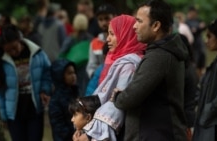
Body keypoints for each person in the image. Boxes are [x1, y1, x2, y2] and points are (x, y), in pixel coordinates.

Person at [111, 0, 188, 140]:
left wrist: (118, 96)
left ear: (156, 26)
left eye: (139, 21)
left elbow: (130, 98)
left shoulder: (159, 57)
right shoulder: (161, 52)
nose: (134, 26)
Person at [75, 14, 146, 141]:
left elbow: (117, 102)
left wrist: (91, 134)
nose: (108, 39)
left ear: (125, 35)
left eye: (112, 34)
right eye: (108, 34)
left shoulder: (129, 65)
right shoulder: (118, 59)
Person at [0, 25, 52, 141]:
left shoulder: (37, 54)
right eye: (8, 51)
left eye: (15, 47)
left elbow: (47, 73)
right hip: (14, 113)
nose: (13, 52)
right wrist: (3, 116)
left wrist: (45, 90)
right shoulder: (1, 62)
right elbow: (0, 91)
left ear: (19, 40)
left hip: (35, 108)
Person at [48, 59, 80, 141]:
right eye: (69, 73)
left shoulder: (74, 93)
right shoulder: (56, 100)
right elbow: (58, 126)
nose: (73, 76)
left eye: (74, 73)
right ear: (60, 76)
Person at [86, 3, 117, 78]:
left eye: (107, 18)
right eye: (100, 19)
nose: (103, 23)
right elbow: (91, 67)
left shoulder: (121, 39)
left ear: (115, 17)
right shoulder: (94, 43)